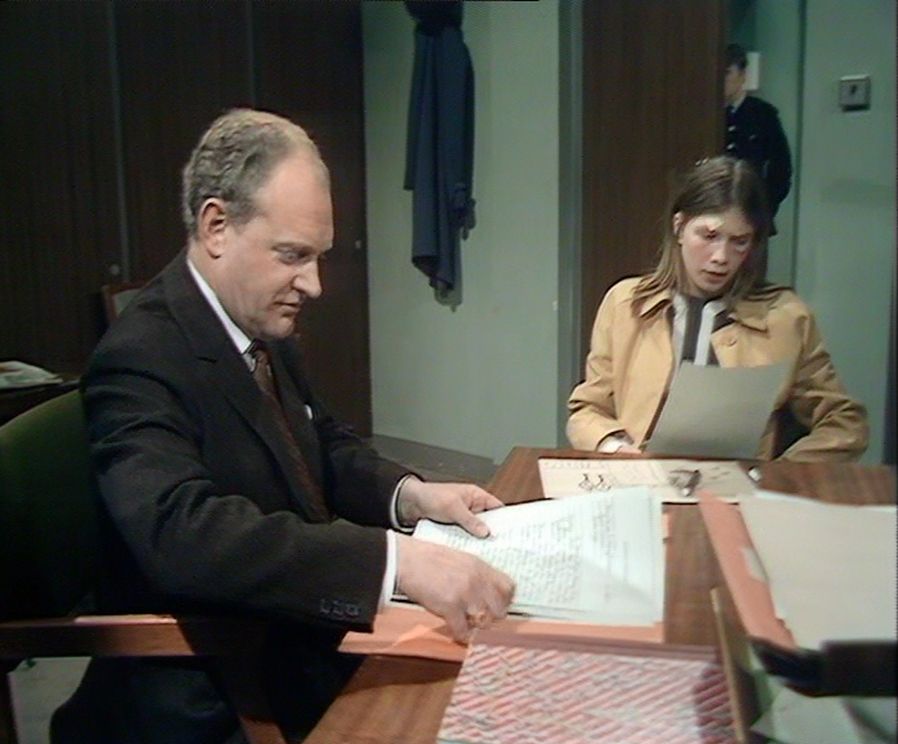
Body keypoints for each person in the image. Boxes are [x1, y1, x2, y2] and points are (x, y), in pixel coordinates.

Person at [52, 109, 515, 743]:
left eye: (318, 257)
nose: (314, 284)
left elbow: (320, 443)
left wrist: (411, 496)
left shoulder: (259, 322)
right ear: (216, 226)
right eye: (293, 255)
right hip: (218, 685)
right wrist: (394, 563)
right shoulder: (139, 355)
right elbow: (181, 533)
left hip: (291, 632)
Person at [567, 156, 868, 461]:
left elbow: (845, 422)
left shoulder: (786, 317)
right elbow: (587, 409)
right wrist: (616, 448)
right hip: (640, 475)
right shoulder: (625, 303)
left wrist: (780, 473)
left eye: (739, 241)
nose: (721, 257)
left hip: (741, 482)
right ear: (679, 227)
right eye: (709, 236)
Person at [724, 43, 792, 234]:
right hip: (716, 208)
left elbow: (781, 168)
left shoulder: (763, 114)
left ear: (742, 75)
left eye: (727, 73)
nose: (722, 79)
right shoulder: (708, 114)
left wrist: (764, 207)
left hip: (752, 210)